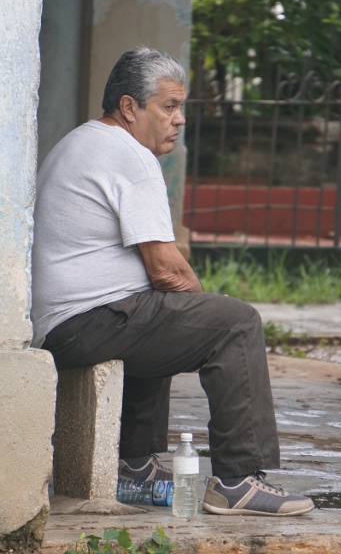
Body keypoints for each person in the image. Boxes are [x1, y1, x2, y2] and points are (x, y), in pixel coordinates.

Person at [32, 46, 314, 517]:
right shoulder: (131, 156)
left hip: (66, 325)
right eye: (168, 107)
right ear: (129, 108)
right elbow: (167, 267)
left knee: (161, 311)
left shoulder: (81, 141)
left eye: (180, 107)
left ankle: (135, 466)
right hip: (87, 321)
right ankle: (238, 481)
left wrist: (189, 314)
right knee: (234, 323)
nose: (179, 119)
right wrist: (209, 313)